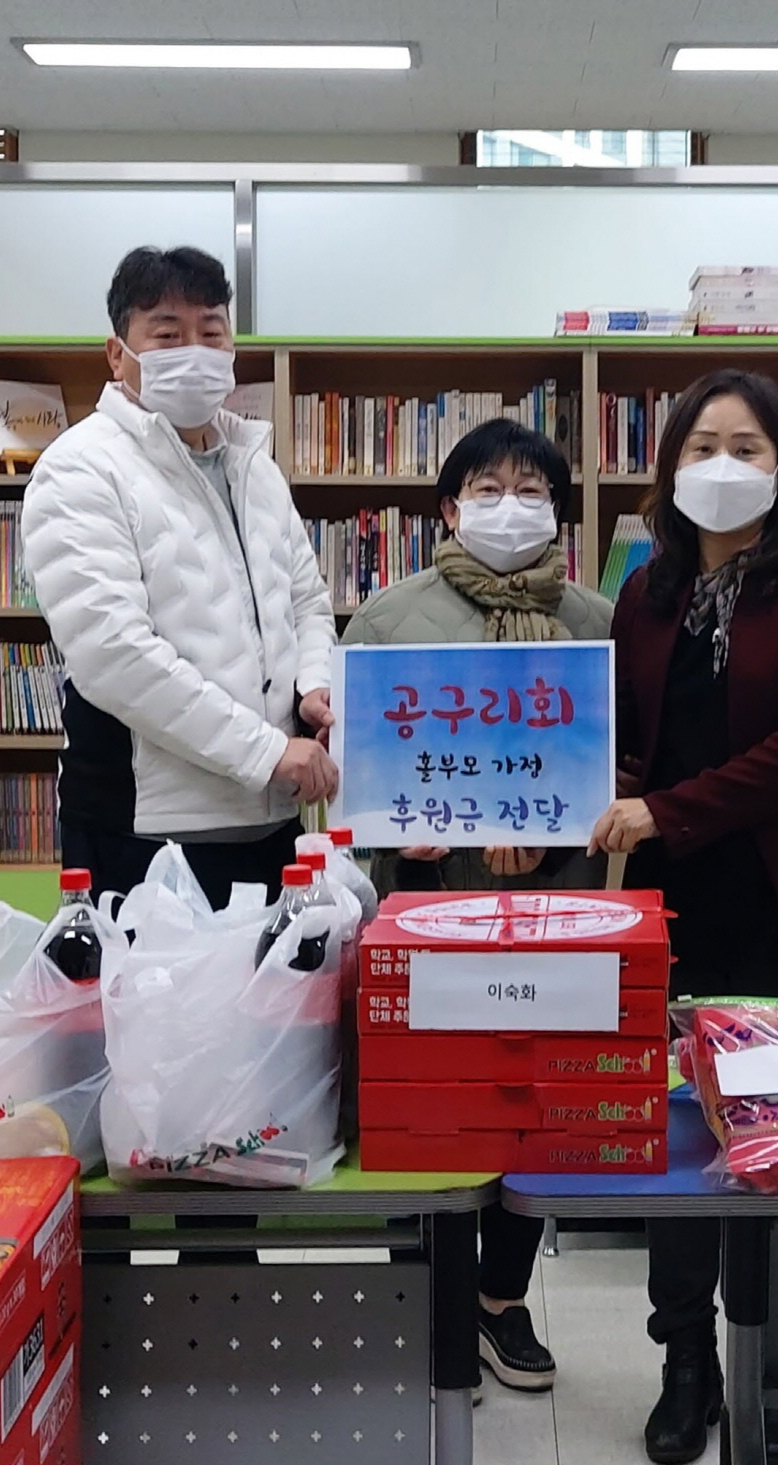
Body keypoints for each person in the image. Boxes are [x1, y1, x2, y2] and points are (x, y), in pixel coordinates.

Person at [589, 369, 778, 1465]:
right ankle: (684, 1363)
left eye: (747, 447)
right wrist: (581, 795)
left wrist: (662, 807)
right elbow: (622, 738)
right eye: (700, 446)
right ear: (668, 468)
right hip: (668, 901)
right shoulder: (643, 590)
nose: (722, 465)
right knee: (676, 1142)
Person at [342, 417, 610, 1395]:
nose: (510, 505)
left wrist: (558, 824)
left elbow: (614, 767)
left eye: (530, 487)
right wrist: (393, 825)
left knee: (534, 1104)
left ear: (556, 511)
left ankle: (501, 1298)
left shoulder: (594, 619)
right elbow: (355, 788)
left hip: (557, 903)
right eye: (487, 487)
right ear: (448, 507)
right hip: (429, 905)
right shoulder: (384, 618)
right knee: (431, 1106)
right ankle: (424, 1293)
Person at [24, 245, 338, 908]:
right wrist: (266, 750)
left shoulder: (255, 464)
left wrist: (315, 687)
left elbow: (307, 602)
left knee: (277, 1010)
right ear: (118, 354)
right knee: (156, 1012)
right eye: (166, 334)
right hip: (145, 828)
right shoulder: (80, 469)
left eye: (211, 332)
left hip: (271, 816)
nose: (193, 350)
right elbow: (114, 654)